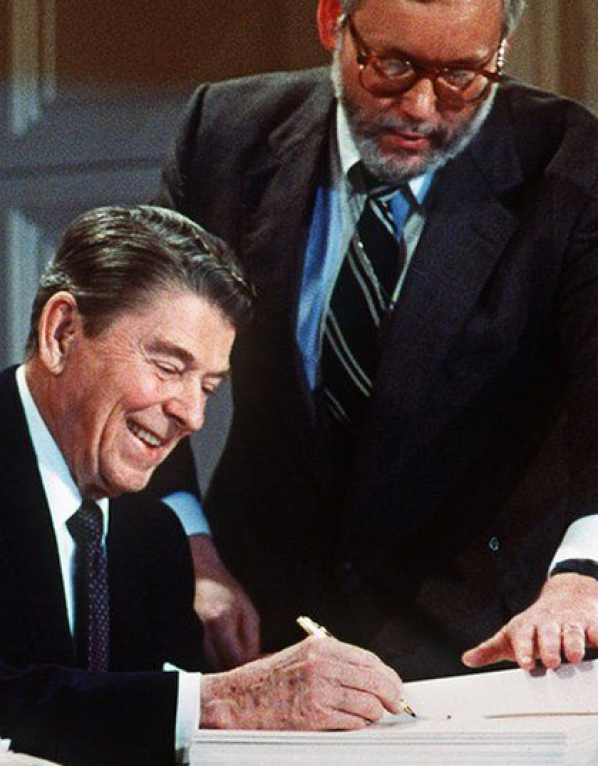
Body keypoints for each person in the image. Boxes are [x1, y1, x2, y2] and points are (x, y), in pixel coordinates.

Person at [0, 205, 406, 766]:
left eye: (209, 386)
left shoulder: (155, 534)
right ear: (61, 333)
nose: (193, 414)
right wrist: (213, 701)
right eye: (169, 366)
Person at [154, 0, 598, 680]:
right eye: (391, 66)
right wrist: (188, 545)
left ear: (501, 48)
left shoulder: (572, 164)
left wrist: (582, 572)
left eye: (463, 76)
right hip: (254, 622)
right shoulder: (225, 131)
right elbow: (141, 355)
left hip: (484, 636)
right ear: (334, 20)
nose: (421, 108)